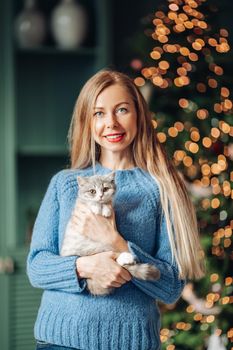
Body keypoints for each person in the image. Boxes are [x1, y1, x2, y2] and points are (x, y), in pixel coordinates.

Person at [27, 69, 205, 350]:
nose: (110, 123)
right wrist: (84, 267)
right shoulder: (65, 184)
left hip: (130, 342)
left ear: (139, 115)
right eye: (99, 113)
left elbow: (170, 287)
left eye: (121, 110)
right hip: (58, 340)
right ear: (88, 121)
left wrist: (117, 242)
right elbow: (37, 267)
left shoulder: (165, 189)